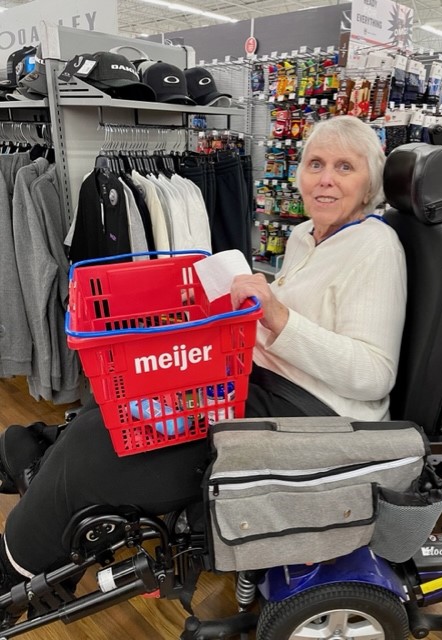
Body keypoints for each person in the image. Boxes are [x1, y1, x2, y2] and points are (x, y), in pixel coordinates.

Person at [0, 115, 407, 594]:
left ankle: (14, 570)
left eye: (345, 167)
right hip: (258, 381)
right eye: (316, 163)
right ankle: (36, 461)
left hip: (314, 416)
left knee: (101, 448)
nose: (326, 178)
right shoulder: (305, 237)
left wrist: (277, 318)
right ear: (299, 174)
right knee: (116, 404)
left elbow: (374, 375)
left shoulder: (376, 248)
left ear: (369, 184)